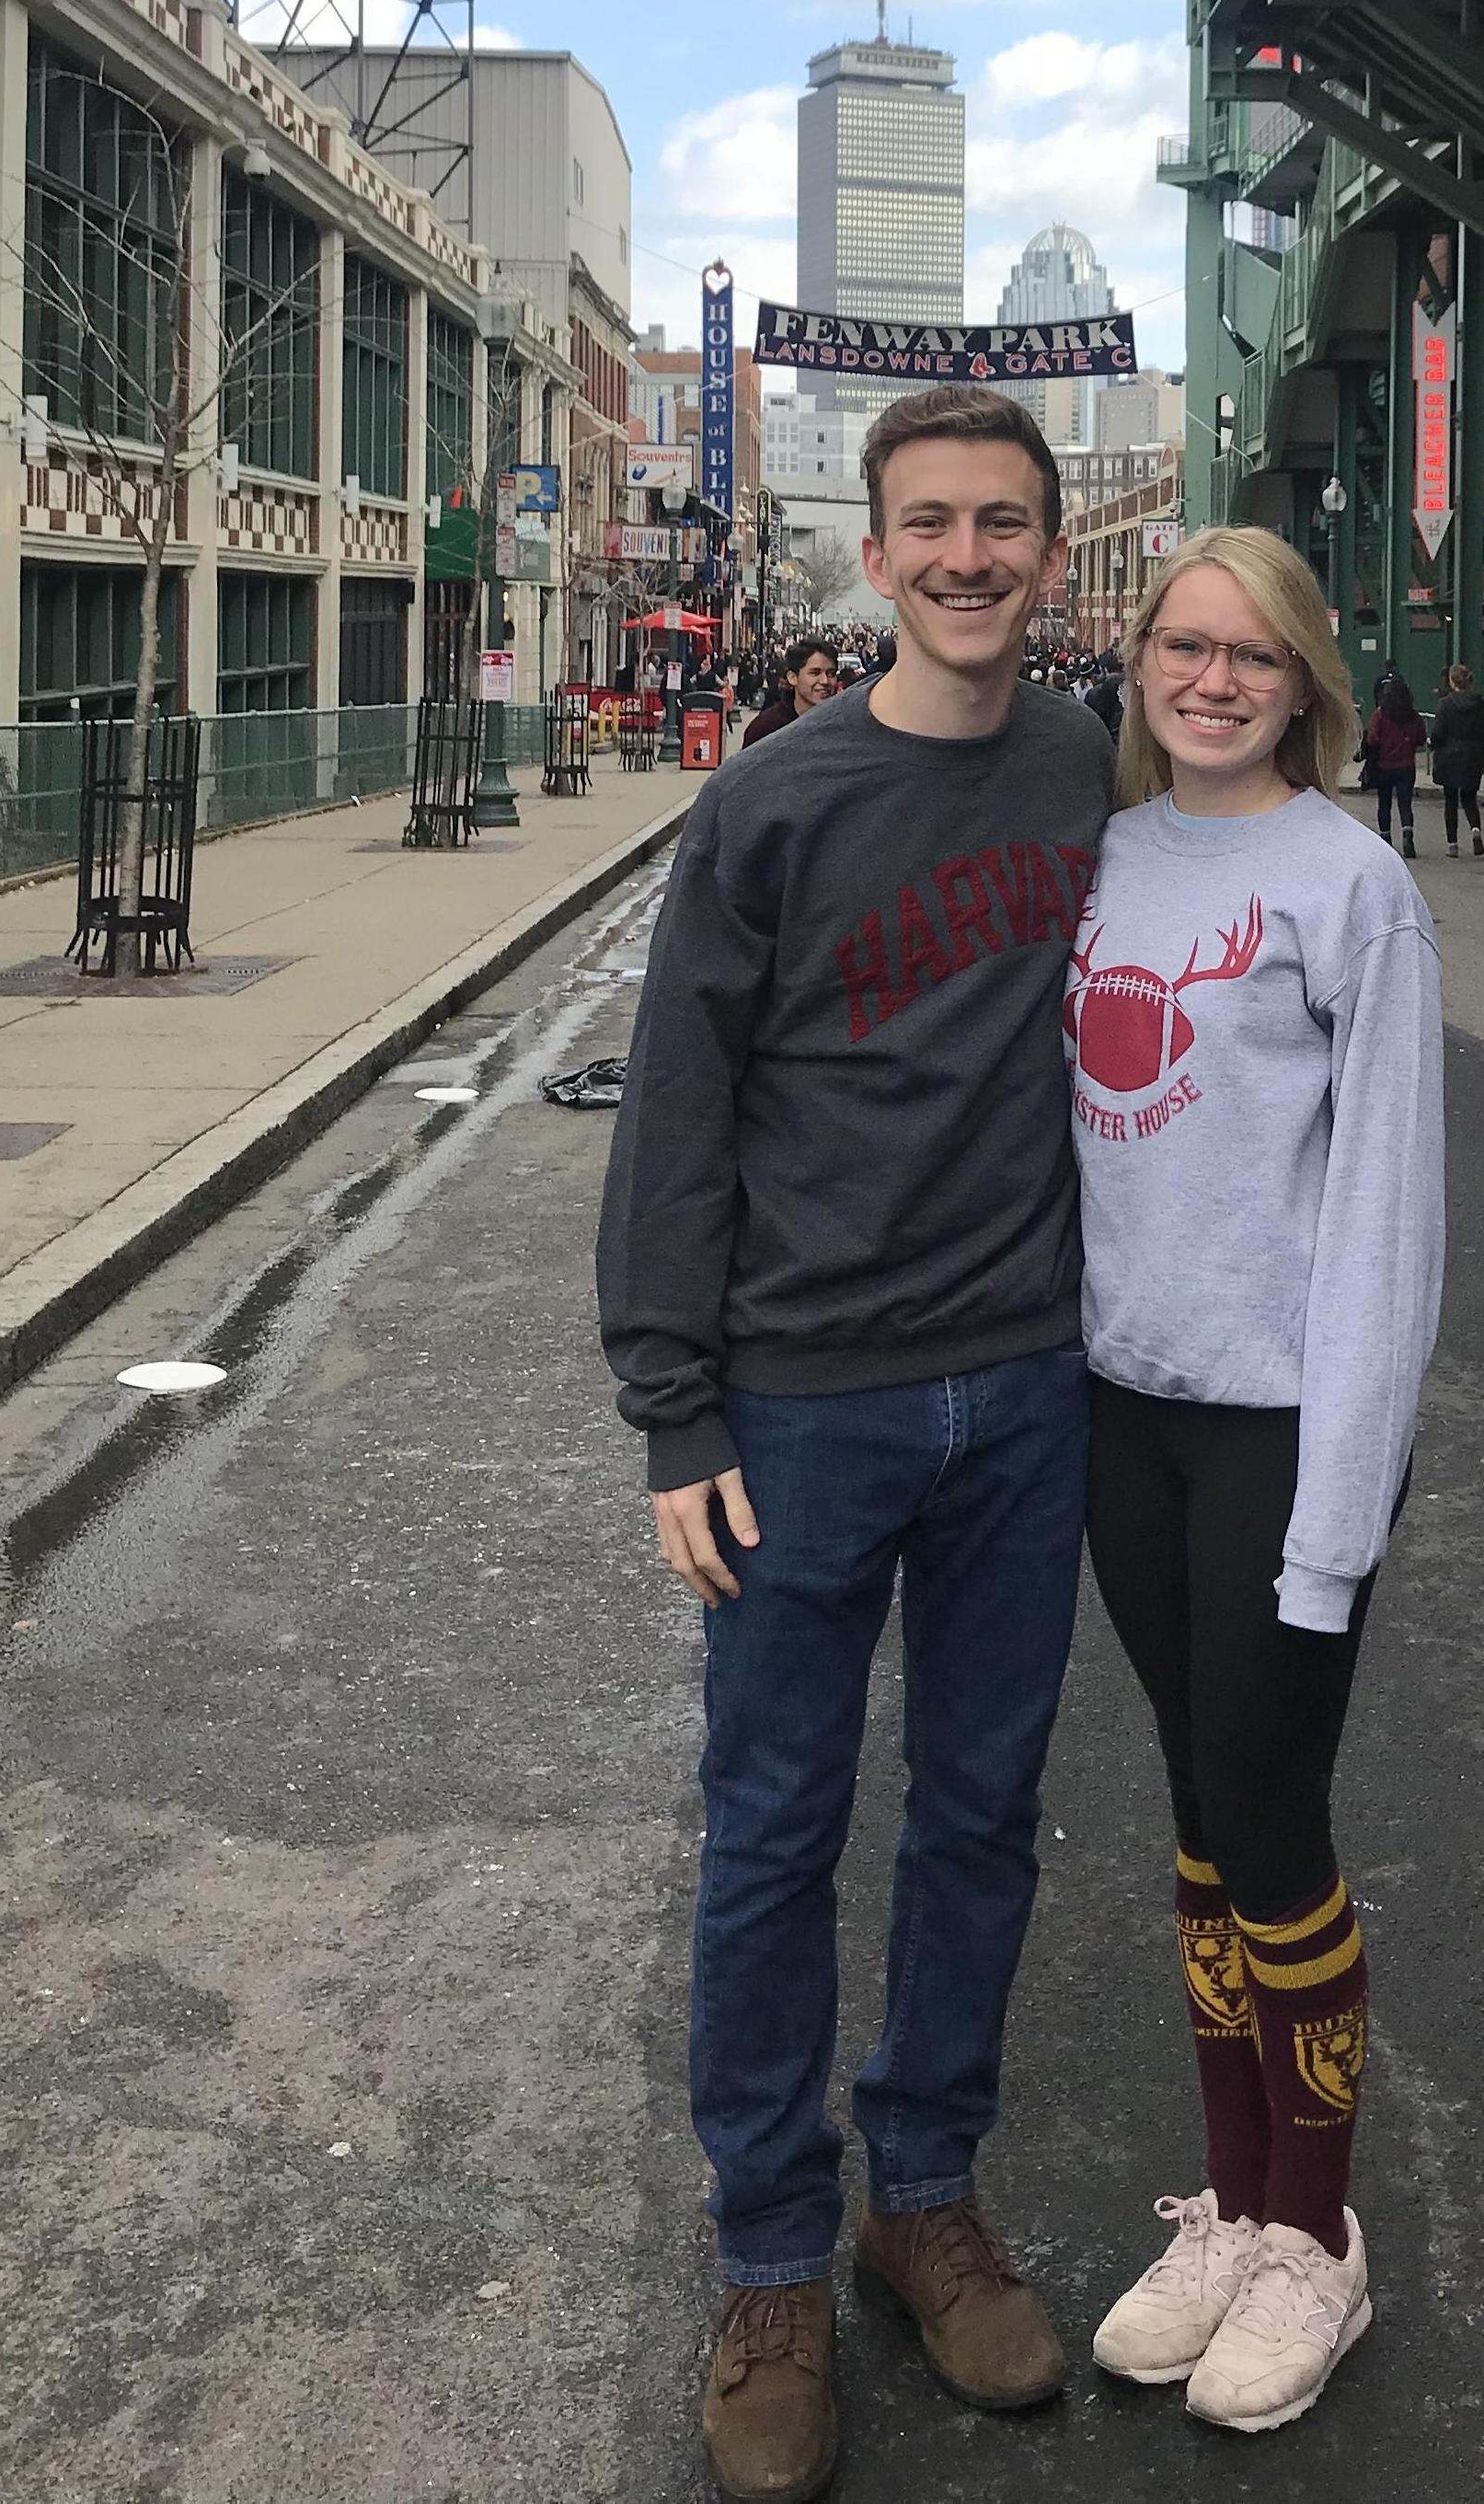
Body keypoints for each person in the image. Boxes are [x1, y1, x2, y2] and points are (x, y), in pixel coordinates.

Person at [597, 384, 1113, 2504]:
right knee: (772, 1833)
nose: (968, 554)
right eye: (932, 522)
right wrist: (670, 1405)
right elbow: (676, 1109)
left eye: (1004, 520)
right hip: (798, 1403)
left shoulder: (1099, 766)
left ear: (1048, 552)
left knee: (982, 1807)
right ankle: (763, 2261)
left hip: (1026, 1382)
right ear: (876, 550)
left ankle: (921, 2190)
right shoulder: (772, 804)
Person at [1074, 526, 1441, 2432]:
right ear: (1139, 655)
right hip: (1121, 1414)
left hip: (1282, 1420)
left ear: (1303, 676)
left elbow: (1385, 1211)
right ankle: (1225, 2199)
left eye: (1251, 655)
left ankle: (1318, 2229)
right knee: (1199, 1809)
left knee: (1276, 1821)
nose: (1210, 678)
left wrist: (1340, 1503)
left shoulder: (1351, 884)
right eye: (1181, 645)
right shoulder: (1109, 859)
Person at [1428, 662, 1484, 858]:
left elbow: (1438, 732)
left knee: (1450, 800)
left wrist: (1433, 745)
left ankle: (1452, 844)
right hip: (1473, 754)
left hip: (1449, 755)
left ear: (1451, 681)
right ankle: (1475, 829)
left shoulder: (1445, 704)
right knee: (1469, 797)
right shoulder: (1480, 704)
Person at [1358, 673, 1425, 858]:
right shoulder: (1413, 716)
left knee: (1384, 803)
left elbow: (1372, 739)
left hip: (1384, 765)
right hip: (1406, 765)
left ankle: (1385, 838)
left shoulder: (1380, 714)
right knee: (1405, 804)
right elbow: (1420, 739)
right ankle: (1407, 832)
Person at [742, 635, 838, 746]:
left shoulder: (845, 726)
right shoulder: (766, 727)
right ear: (793, 678)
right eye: (815, 673)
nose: (825, 681)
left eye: (831, 673)